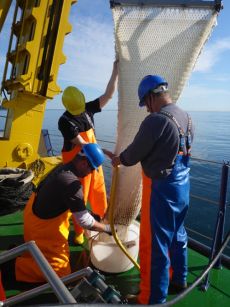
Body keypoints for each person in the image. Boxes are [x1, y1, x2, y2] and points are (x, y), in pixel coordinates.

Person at [111, 75, 194, 304]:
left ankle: (152, 298)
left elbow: (134, 154)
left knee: (157, 246)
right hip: (183, 188)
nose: (146, 110)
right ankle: (180, 278)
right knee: (178, 235)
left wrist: (120, 159)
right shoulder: (186, 117)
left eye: (145, 104)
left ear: (150, 97)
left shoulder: (156, 121)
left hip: (163, 191)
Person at [0, 143, 113, 288]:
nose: (91, 173)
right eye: (91, 169)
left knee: (44, 256)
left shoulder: (63, 168)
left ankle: (25, 254)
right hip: (42, 232)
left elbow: (73, 206)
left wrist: (95, 217)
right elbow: (84, 221)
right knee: (61, 273)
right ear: (84, 163)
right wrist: (106, 228)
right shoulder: (72, 184)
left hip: (32, 222)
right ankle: (11, 267)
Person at [58, 60, 118, 244]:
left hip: (93, 161)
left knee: (99, 193)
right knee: (79, 199)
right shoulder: (64, 121)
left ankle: (101, 221)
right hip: (78, 166)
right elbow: (85, 145)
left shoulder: (87, 108)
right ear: (68, 107)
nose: (79, 112)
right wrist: (107, 153)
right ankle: (78, 232)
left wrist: (115, 70)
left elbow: (108, 95)